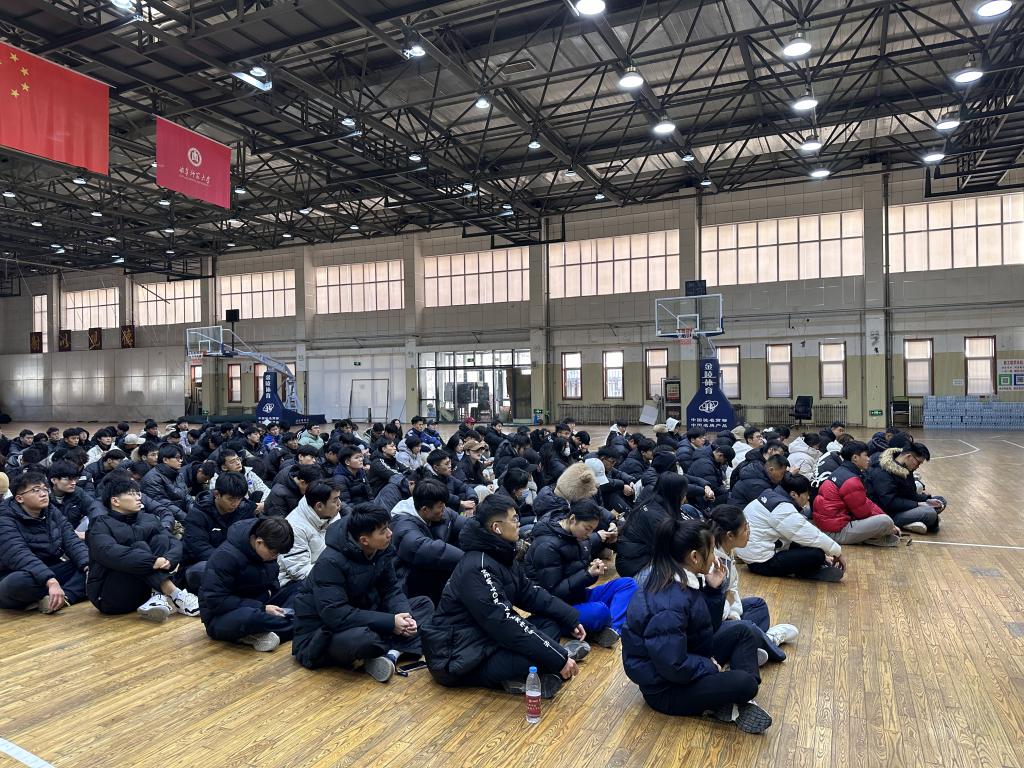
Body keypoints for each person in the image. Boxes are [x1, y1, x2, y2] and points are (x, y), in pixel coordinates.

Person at [420, 494, 588, 699]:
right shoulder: (478, 566)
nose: (519, 523)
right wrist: (557, 657)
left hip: (486, 640)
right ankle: (529, 672)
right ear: (497, 528)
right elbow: (503, 621)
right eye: (514, 519)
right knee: (540, 656)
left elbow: (530, 593)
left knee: (551, 623)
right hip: (459, 657)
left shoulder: (501, 555)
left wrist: (569, 617)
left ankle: (527, 674)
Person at [621, 516, 773, 733]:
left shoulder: (677, 576)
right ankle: (733, 697)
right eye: (711, 551)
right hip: (666, 689)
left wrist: (713, 590)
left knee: (743, 631)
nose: (714, 557)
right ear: (694, 557)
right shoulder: (669, 603)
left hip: (687, 658)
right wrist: (710, 666)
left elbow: (705, 628)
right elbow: (673, 665)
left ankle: (733, 701)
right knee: (745, 684)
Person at [291, 504, 435, 680]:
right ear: (364, 540)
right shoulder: (330, 562)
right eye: (383, 531)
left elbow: (391, 588)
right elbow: (335, 614)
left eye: (388, 527)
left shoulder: (381, 548)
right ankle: (390, 648)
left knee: (423, 605)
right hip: (322, 631)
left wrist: (404, 616)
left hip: (365, 614)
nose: (390, 533)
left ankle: (390, 655)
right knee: (364, 640)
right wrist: (390, 623)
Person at [86, 474, 201, 621]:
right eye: (131, 494)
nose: (138, 497)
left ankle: (157, 596)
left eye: (138, 493)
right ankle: (175, 594)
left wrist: (168, 559)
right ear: (115, 501)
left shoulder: (148, 518)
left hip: (142, 591)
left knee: (161, 539)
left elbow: (174, 542)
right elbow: (109, 553)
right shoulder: (100, 525)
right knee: (139, 546)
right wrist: (152, 562)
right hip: (110, 596)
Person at [524, 499, 637, 648]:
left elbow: (582, 570)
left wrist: (592, 570)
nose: (589, 534)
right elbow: (553, 592)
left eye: (592, 530)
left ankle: (612, 630)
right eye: (587, 529)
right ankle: (597, 626)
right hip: (557, 608)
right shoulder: (546, 546)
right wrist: (588, 574)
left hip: (578, 596)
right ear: (572, 519)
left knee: (628, 583)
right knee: (600, 610)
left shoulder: (575, 536)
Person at [710, 504, 798, 661]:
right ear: (730, 535)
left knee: (758, 605)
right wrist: (732, 614)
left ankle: (751, 644)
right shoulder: (713, 563)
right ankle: (767, 642)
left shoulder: (726, 552)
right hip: (712, 627)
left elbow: (731, 593)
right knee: (745, 627)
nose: (749, 531)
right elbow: (712, 611)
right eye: (745, 528)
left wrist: (734, 612)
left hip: (726, 614)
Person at [200, 516, 296, 652]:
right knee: (253, 618)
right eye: (274, 553)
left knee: (299, 587)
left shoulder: (268, 551)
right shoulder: (225, 556)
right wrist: (262, 608)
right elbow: (216, 601)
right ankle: (296, 624)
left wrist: (271, 595)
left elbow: (273, 580)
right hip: (224, 616)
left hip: (261, 603)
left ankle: (279, 628)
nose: (275, 557)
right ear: (259, 542)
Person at [0, 471, 90, 613]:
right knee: (17, 583)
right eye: (36, 490)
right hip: (19, 572)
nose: (43, 494)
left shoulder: (52, 511)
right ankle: (68, 590)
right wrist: (50, 581)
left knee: (96, 561)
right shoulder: (4, 519)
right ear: (19, 498)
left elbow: (72, 541)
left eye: (45, 489)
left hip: (52, 568)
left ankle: (65, 597)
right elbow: (19, 554)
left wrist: (87, 566)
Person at [735, 475, 846, 581]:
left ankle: (810, 567)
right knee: (817, 554)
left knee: (808, 545)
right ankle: (807, 572)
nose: (808, 498)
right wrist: (837, 552)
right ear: (793, 494)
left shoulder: (771, 497)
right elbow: (810, 534)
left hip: (754, 557)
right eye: (806, 494)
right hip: (762, 563)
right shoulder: (781, 508)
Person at [390, 477, 466, 606]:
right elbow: (423, 548)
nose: (444, 509)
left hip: (436, 571)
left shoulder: (441, 512)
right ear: (425, 509)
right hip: (412, 583)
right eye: (440, 507)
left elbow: (468, 527)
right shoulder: (402, 525)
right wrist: (466, 559)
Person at [812, 441, 899, 546]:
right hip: (835, 532)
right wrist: (890, 526)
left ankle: (870, 537)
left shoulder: (841, 471)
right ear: (855, 458)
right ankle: (871, 538)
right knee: (886, 521)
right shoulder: (851, 480)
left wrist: (883, 515)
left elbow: (866, 502)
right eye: (866, 455)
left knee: (885, 519)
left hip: (828, 527)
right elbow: (863, 513)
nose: (869, 459)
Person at [182, 472, 257, 592]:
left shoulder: (245, 511)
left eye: (239, 499)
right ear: (217, 494)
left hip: (238, 563)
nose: (235, 504)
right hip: (202, 563)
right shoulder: (198, 513)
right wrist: (232, 563)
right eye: (231, 499)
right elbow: (199, 549)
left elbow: (252, 542)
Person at [616, 473, 699, 578]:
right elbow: (675, 549)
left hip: (639, 558)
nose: (685, 497)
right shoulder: (659, 519)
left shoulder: (656, 501)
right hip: (636, 568)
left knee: (688, 508)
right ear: (676, 494)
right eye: (684, 493)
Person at [278, 481, 341, 596]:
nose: (339, 503)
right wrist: (336, 571)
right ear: (319, 506)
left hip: (327, 567)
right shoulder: (294, 528)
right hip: (294, 583)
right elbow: (299, 571)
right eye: (335, 500)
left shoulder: (331, 513)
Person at [866, 444, 942, 534]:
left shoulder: (906, 468)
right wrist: (918, 504)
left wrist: (926, 499)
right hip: (888, 513)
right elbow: (889, 503)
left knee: (941, 501)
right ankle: (902, 523)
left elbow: (910, 494)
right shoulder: (882, 471)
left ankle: (911, 521)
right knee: (930, 513)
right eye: (918, 463)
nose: (918, 466)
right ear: (909, 456)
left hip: (903, 506)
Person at [47, 460, 105, 535]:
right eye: (68, 479)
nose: (73, 483)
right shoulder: (43, 496)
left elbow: (94, 508)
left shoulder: (78, 492)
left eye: (75, 479)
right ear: (54, 480)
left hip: (74, 533)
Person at [140, 444, 189, 528]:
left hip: (180, 512)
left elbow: (186, 496)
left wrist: (196, 512)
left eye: (181, 458)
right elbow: (164, 504)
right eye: (177, 458)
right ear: (165, 460)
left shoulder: (178, 474)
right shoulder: (152, 478)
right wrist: (188, 519)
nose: (181, 460)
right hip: (164, 518)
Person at [425, 449, 476, 515]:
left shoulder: (447, 477)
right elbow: (442, 495)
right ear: (436, 468)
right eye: (446, 464)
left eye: (449, 462)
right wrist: (460, 502)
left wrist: (472, 500)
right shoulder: (427, 482)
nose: (450, 466)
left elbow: (466, 487)